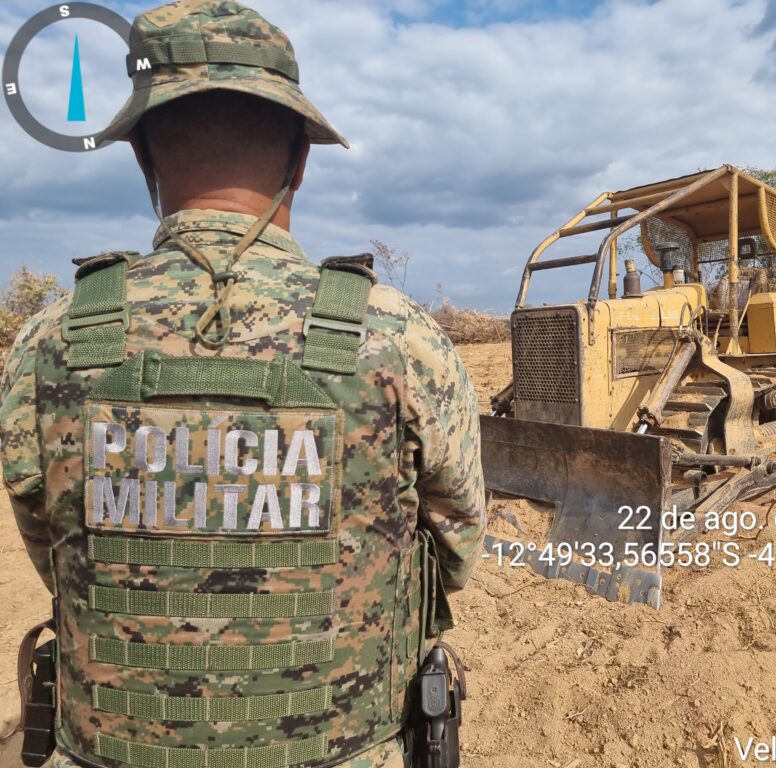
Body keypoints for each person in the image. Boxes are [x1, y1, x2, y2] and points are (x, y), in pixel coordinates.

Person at [0, 2, 485, 767]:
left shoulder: (52, 342)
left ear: (143, 159)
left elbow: (51, 544)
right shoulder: (399, 338)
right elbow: (451, 546)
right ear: (301, 158)